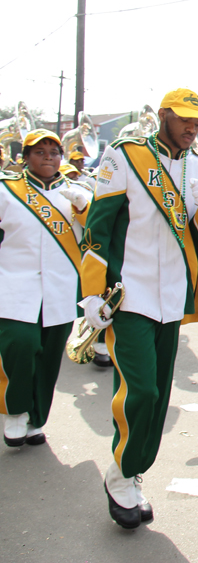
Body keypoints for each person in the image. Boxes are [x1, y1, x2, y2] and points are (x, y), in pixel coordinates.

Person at [79, 88, 198, 529]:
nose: (191, 128)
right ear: (163, 116)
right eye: (183, 119)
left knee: (159, 400)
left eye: (197, 122)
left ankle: (133, 472)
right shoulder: (126, 157)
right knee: (142, 392)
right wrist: (91, 291)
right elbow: (100, 226)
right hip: (130, 294)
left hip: (172, 297)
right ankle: (120, 473)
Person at [0, 129, 92, 447]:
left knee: (49, 358)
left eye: (54, 152)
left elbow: (96, 238)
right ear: (25, 157)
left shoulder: (76, 194)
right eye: (40, 152)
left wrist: (84, 209)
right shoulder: (6, 190)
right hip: (14, 288)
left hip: (59, 290)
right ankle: (14, 412)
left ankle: (36, 419)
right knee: (20, 349)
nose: (49, 158)